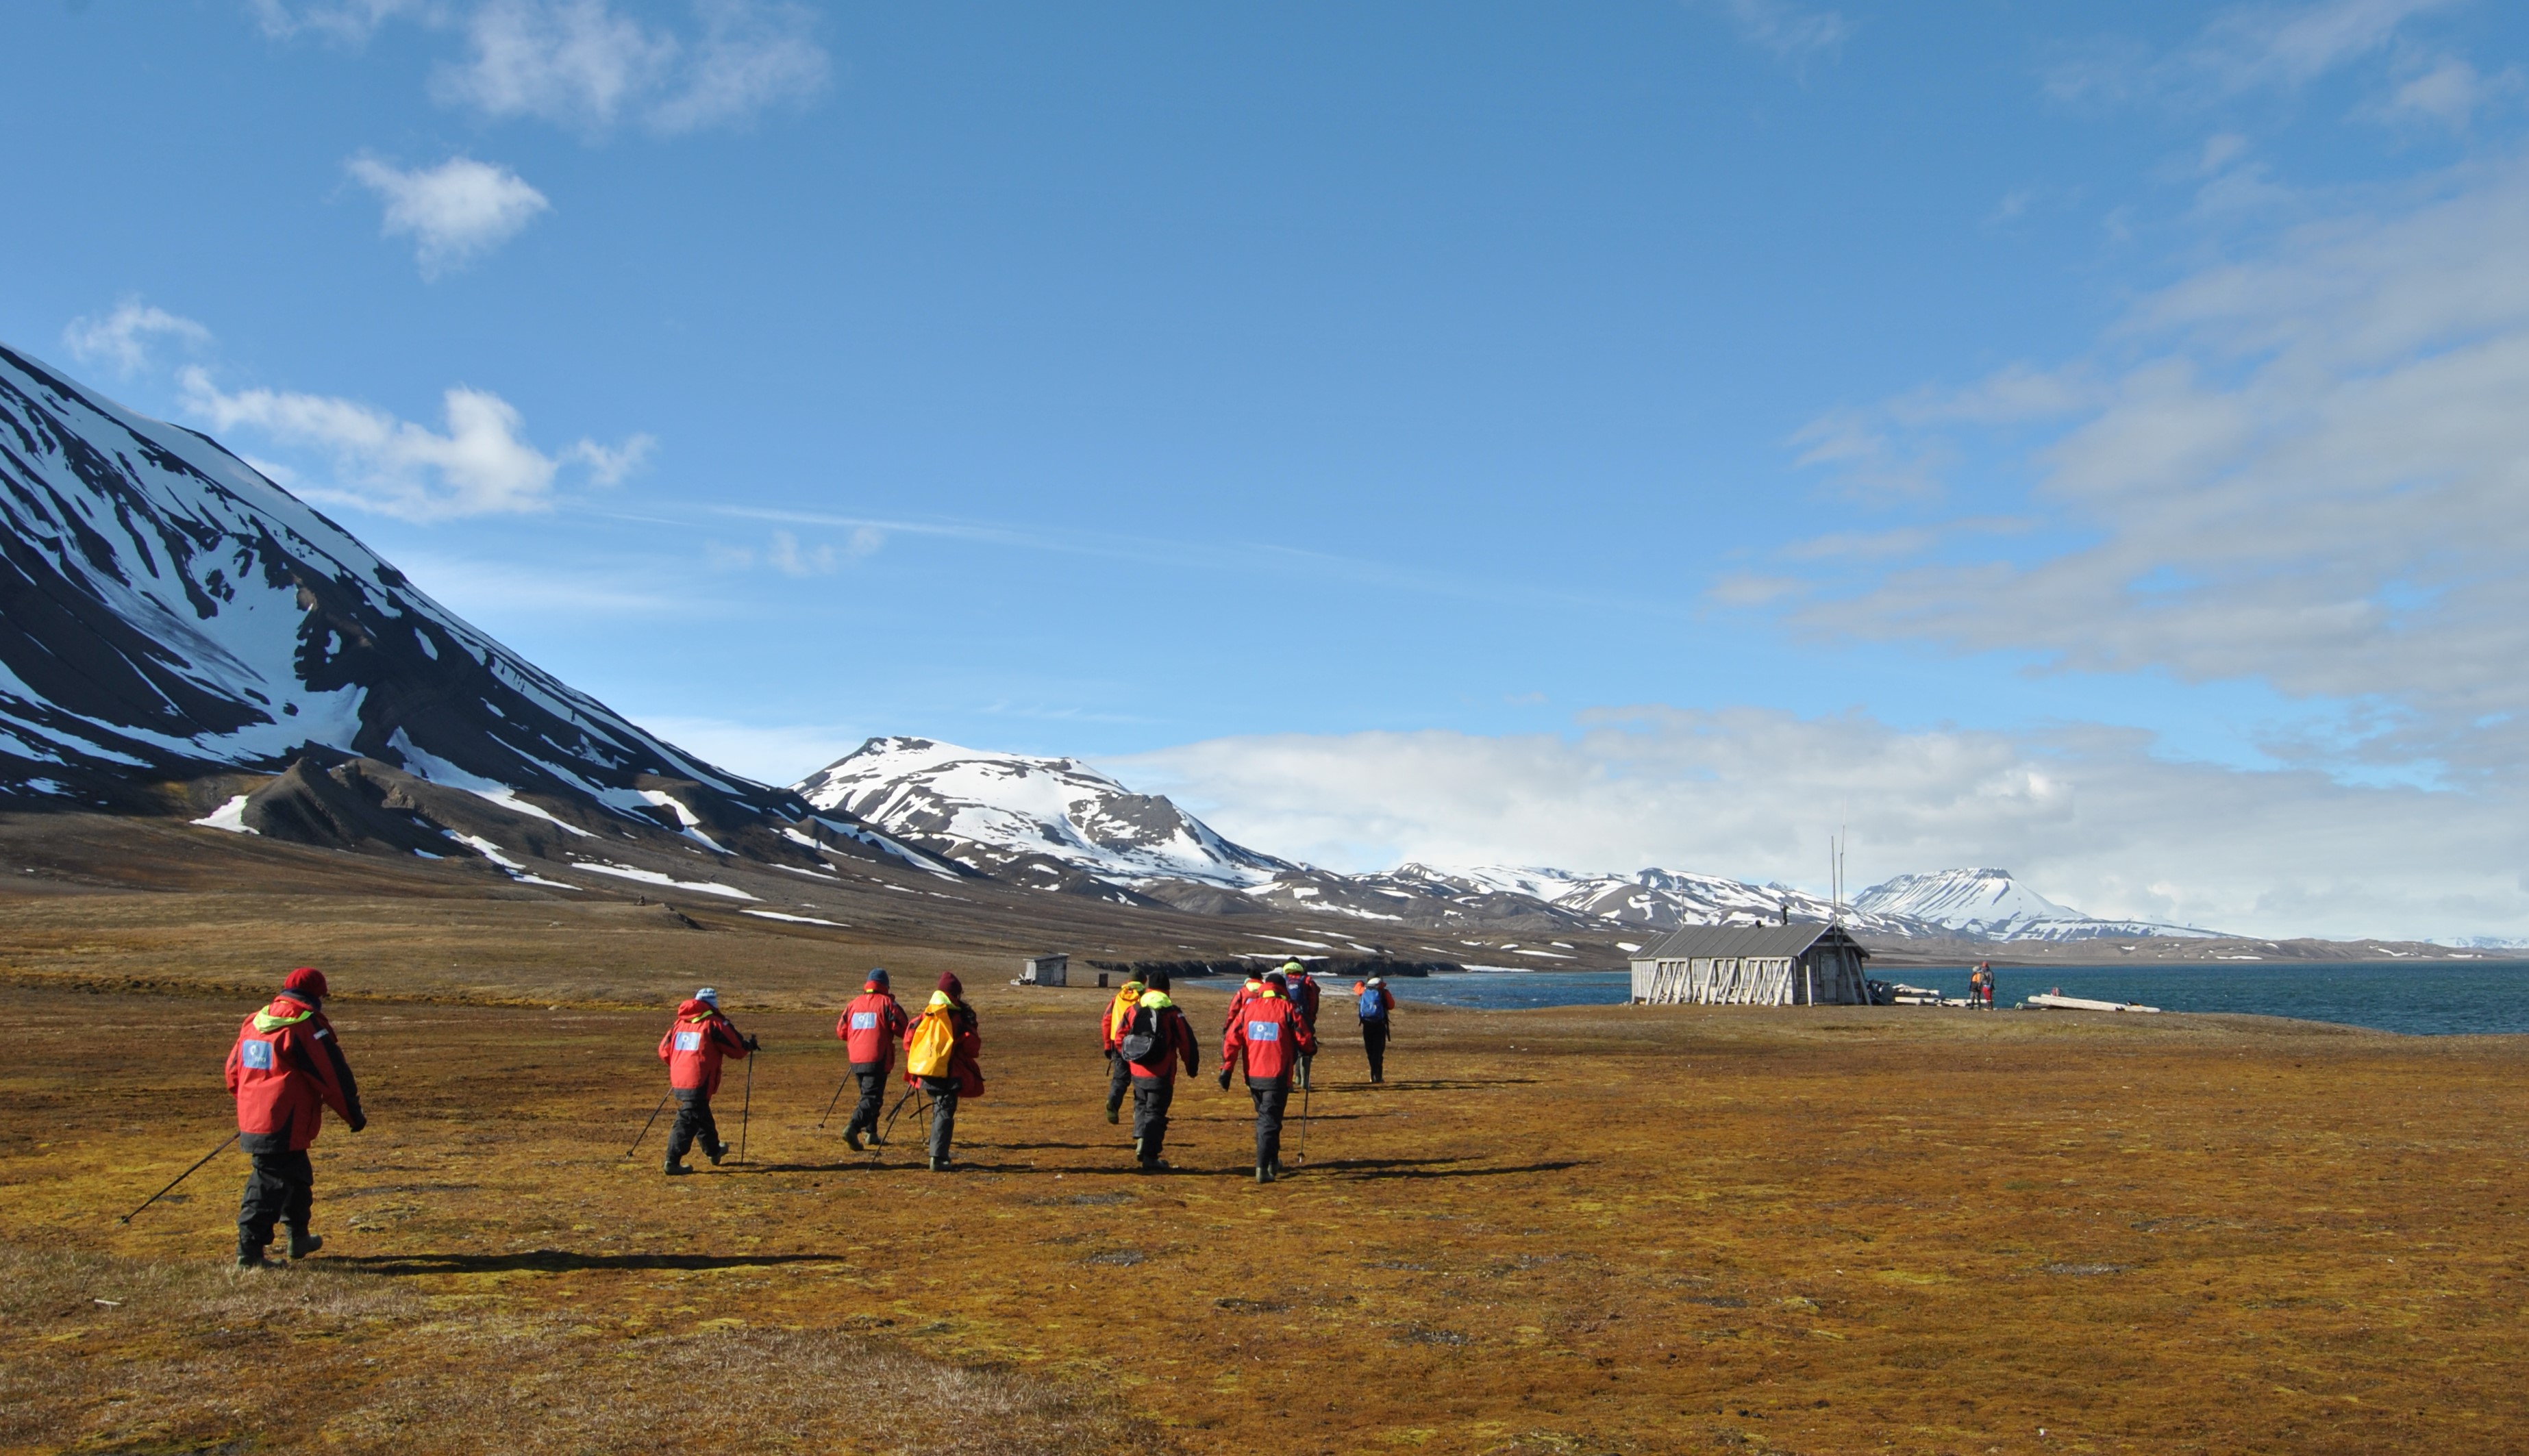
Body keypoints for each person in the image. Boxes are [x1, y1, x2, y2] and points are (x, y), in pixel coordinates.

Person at [225, 967, 365, 1268]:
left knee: (297, 1174)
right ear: (317, 995)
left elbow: (234, 1071)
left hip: (258, 1116)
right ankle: (249, 1253)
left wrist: (251, 1106)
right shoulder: (305, 1025)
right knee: (268, 1182)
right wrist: (353, 1115)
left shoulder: (255, 1021)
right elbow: (332, 1076)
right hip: (284, 1120)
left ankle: (297, 1236)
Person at [1219, 970, 1315, 1183]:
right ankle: (1262, 1168)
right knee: (1269, 1121)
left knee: (1268, 1119)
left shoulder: (1249, 1008)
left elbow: (1231, 1039)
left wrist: (1227, 1069)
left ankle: (1273, 1161)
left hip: (1253, 1076)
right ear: (1282, 989)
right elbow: (1304, 1038)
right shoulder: (1288, 1008)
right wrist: (1310, 1049)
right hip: (1277, 1075)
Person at [658, 987, 755, 1175]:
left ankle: (714, 1150)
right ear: (713, 1004)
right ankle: (672, 1161)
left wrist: (680, 1064)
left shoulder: (679, 1023)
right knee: (688, 1118)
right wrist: (748, 1046)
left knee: (699, 1112)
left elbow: (663, 1051)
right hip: (700, 1079)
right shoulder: (713, 1023)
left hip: (679, 1078)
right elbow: (736, 1048)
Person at [1119, 970, 1199, 1171]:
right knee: (1155, 1112)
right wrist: (1192, 1067)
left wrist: (1128, 1059)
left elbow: (1120, 1036)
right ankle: (1150, 1156)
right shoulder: (1172, 1012)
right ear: (1167, 991)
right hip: (1162, 1072)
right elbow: (1187, 1043)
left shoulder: (1135, 1008)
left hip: (1138, 1069)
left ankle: (1141, 1143)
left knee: (1140, 1105)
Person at [904, 972, 984, 1171]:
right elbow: (972, 1048)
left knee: (939, 1110)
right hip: (949, 1073)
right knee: (944, 1112)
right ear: (956, 994)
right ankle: (938, 1158)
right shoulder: (958, 1017)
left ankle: (936, 1152)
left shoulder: (926, 1014)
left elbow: (908, 1041)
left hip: (926, 1073)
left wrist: (923, 1061)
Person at [836, 968, 908, 1151]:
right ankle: (852, 1128)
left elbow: (841, 1032)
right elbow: (904, 1028)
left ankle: (872, 1132)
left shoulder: (853, 1004)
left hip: (856, 1058)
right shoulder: (887, 1004)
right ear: (885, 986)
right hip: (877, 1057)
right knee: (872, 1098)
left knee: (867, 1096)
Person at [1099, 975, 1147, 1126]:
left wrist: (1108, 1044)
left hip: (1117, 1042)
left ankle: (1113, 1101)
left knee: (1120, 1078)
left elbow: (1106, 1020)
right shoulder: (1144, 997)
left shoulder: (1118, 998)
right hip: (1139, 1042)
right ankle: (1139, 1113)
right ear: (1143, 981)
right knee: (1141, 1078)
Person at [1282, 961, 1323, 1091]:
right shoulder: (1307, 981)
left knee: (1288, 1050)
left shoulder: (1283, 981)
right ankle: (1304, 1081)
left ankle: (1288, 1082)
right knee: (1305, 1048)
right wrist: (1311, 1018)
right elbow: (1314, 1000)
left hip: (1287, 1018)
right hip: (1304, 1018)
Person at [1358, 975, 1396, 1083]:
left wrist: (1361, 983)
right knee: (1378, 1051)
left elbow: (1356, 988)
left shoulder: (1364, 990)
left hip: (1367, 1024)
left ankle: (1373, 1075)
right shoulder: (1383, 992)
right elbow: (1391, 1005)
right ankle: (1377, 1076)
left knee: (1370, 1051)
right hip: (1380, 1025)